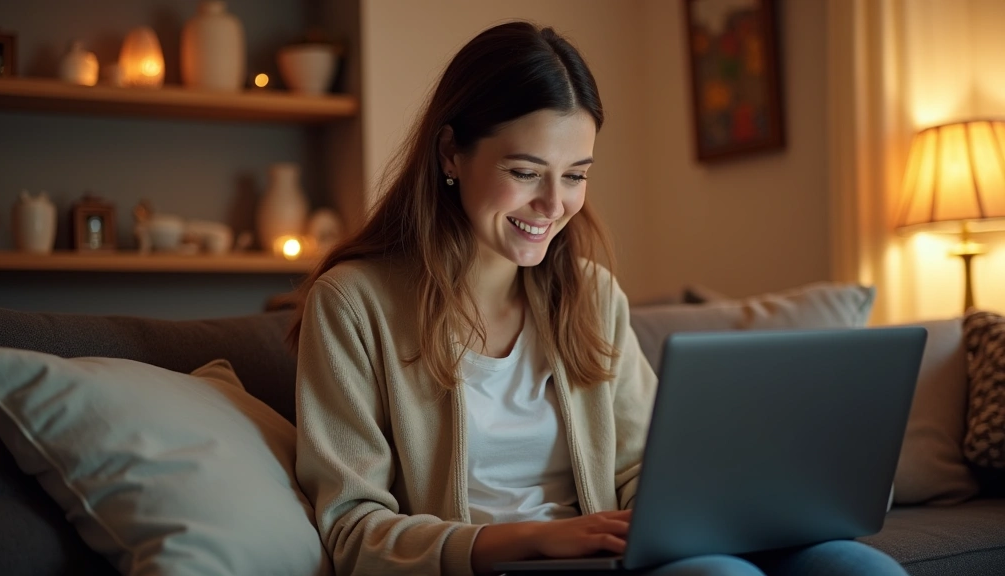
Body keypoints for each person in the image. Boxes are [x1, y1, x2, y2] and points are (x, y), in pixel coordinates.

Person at [288, 20, 908, 576]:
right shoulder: (352, 304)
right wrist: (533, 540)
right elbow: (353, 529)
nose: (553, 204)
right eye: (525, 172)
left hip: (612, 556)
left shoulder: (590, 292)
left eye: (576, 175)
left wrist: (711, 511)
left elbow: (642, 467)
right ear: (451, 152)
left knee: (856, 564)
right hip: (502, 565)